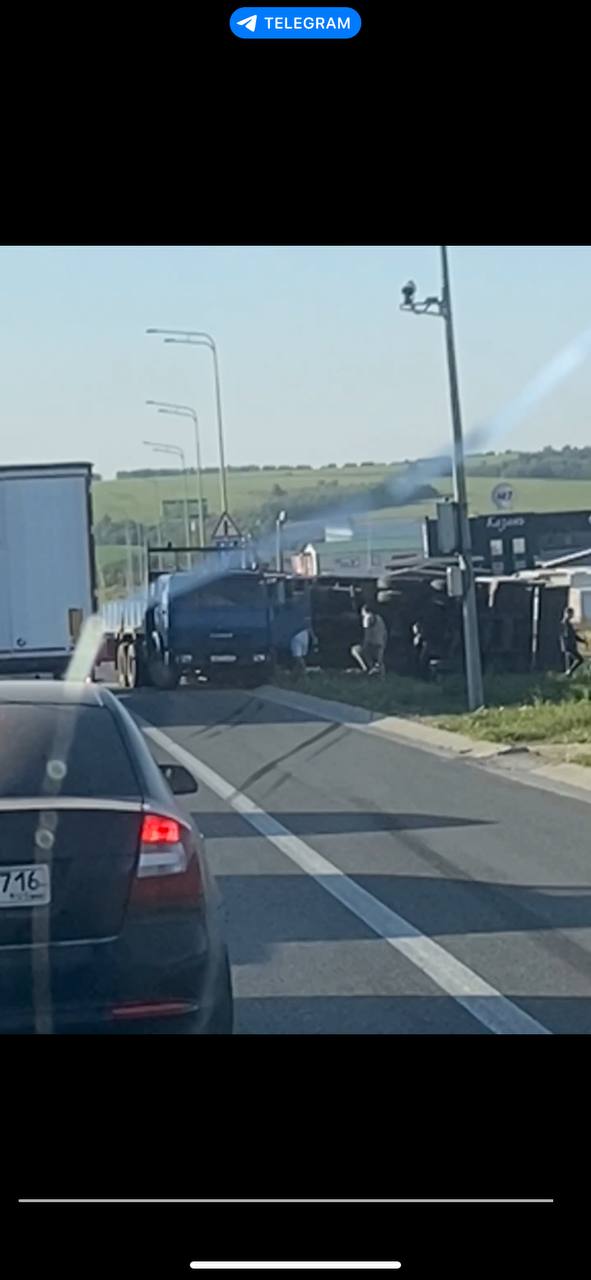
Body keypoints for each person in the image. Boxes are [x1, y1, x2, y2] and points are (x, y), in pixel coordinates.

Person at [351, 605, 388, 677]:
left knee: (355, 650)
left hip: (371, 644)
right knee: (379, 661)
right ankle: (382, 677)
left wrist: (365, 644)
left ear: (364, 611)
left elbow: (367, 633)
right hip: (380, 643)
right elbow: (385, 633)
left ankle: (367, 669)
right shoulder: (379, 618)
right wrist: (383, 644)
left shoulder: (367, 618)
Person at [559, 606, 586, 676]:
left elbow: (573, 635)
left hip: (570, 646)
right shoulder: (564, 624)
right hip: (569, 647)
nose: (572, 615)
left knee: (571, 662)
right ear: (566, 614)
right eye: (571, 614)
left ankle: (568, 674)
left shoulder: (568, 624)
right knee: (580, 659)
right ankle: (569, 672)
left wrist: (582, 641)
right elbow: (566, 635)